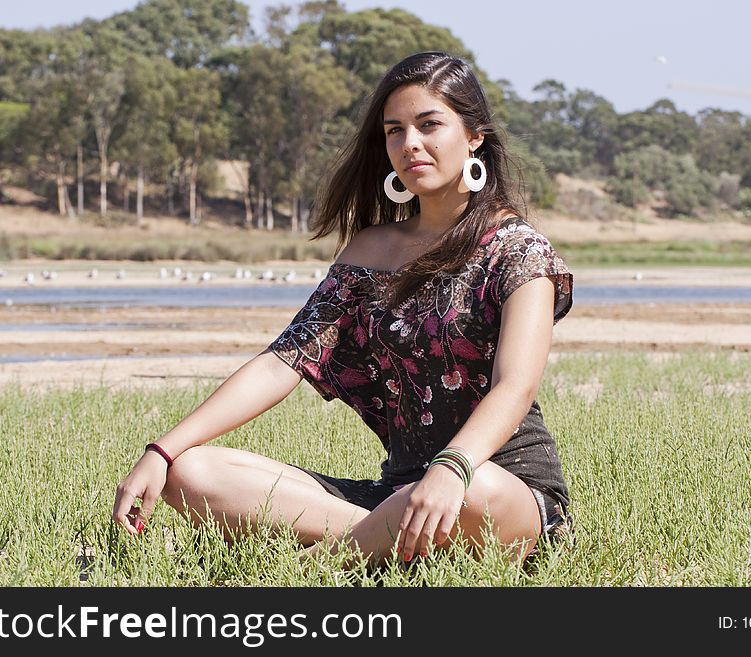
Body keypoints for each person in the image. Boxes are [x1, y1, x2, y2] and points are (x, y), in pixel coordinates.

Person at [112, 51, 573, 566]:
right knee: (192, 474)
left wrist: (451, 469)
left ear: (474, 135)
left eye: (429, 124)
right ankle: (383, 542)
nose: (410, 144)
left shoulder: (518, 250)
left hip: (497, 490)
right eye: (394, 130)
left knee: (472, 491)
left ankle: (325, 565)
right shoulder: (369, 252)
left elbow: (516, 386)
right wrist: (163, 450)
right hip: (397, 494)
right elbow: (283, 360)